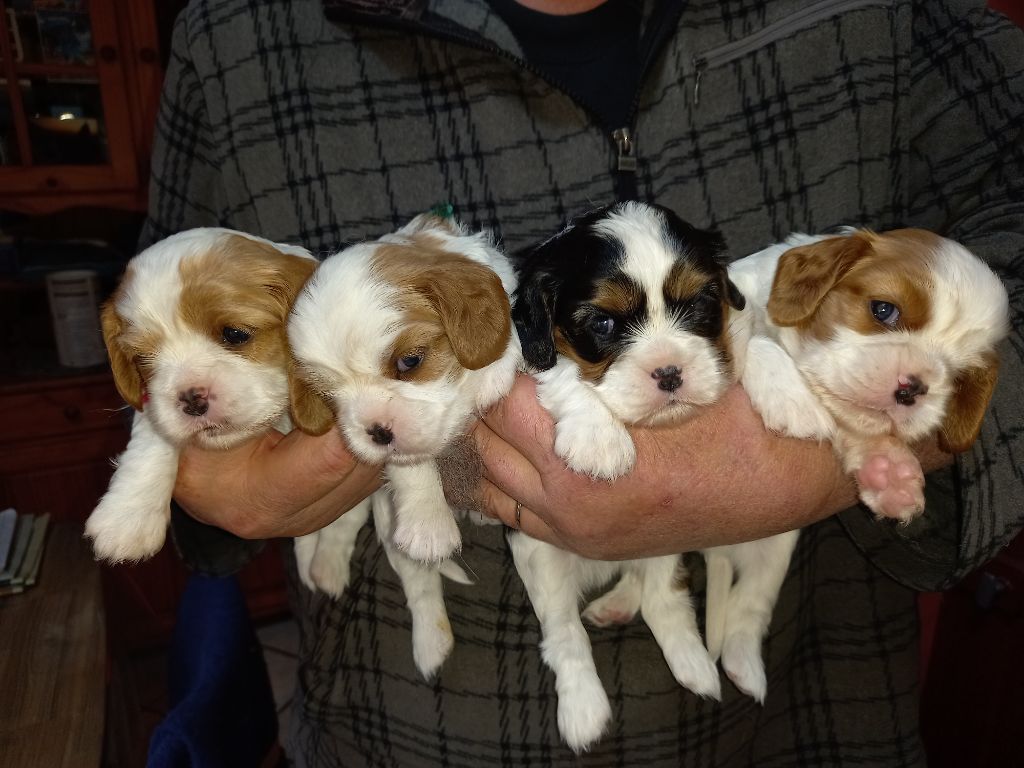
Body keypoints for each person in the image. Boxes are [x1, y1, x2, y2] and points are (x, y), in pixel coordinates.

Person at [144, 0, 1024, 765]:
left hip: (810, 707)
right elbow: (160, 334)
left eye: (697, 308)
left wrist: (838, 446)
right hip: (415, 724)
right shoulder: (232, 36)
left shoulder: (900, 15)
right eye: (604, 325)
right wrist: (195, 471)